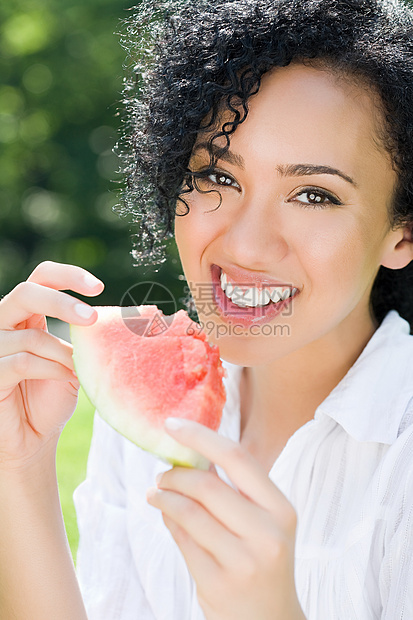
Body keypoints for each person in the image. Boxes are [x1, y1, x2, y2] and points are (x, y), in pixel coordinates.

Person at [1, 0, 413, 617]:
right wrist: (20, 469)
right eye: (218, 177)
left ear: (401, 234)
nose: (245, 244)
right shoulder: (143, 435)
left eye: (313, 194)